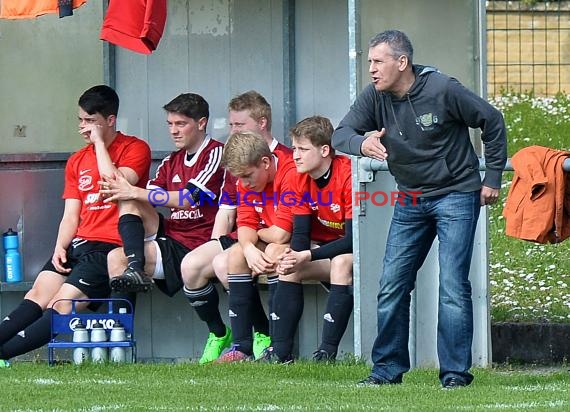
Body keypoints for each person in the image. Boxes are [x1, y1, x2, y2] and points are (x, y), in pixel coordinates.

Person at [331, 30, 507, 388]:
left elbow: (492, 120)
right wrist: (361, 143)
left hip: (457, 193)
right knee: (392, 284)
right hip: (410, 197)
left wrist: (492, 178)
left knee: (452, 285)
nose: (372, 70)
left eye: (378, 62)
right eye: (369, 62)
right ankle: (386, 371)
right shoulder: (374, 97)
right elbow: (340, 134)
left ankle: (455, 375)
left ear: (401, 62)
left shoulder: (443, 89)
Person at [0, 85, 151, 367]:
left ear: (110, 120)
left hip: (108, 246)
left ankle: (3, 356)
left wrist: (100, 145)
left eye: (91, 121)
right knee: (37, 294)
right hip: (78, 244)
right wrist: (60, 245)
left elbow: (117, 185)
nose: (84, 127)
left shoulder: (135, 148)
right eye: (81, 120)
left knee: (61, 303)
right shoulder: (77, 160)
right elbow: (72, 213)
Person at [181, 90, 290, 363]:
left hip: (279, 236)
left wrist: (250, 242)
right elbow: (234, 213)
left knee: (225, 263)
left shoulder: (288, 162)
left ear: (261, 123)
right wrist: (237, 244)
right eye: (230, 125)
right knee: (192, 265)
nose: (232, 131)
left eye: (239, 125)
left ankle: (266, 337)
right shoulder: (240, 168)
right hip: (248, 233)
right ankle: (224, 336)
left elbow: (283, 230)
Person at [102, 93, 226, 304]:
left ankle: (135, 267)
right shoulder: (171, 160)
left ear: (201, 123)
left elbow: (188, 199)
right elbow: (147, 197)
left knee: (131, 196)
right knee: (116, 253)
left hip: (199, 241)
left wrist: (133, 191)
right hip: (173, 233)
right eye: (170, 124)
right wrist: (99, 145)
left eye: (181, 124)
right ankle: (133, 275)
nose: (173, 131)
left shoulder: (215, 153)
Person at [259, 116, 354, 364]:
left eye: (303, 149)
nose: (296, 156)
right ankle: (280, 352)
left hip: (358, 250)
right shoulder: (297, 177)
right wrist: (294, 257)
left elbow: (354, 240)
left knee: (341, 262)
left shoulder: (347, 175)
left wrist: (306, 256)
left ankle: (327, 352)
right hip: (323, 249)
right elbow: (300, 235)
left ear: (325, 150)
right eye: (294, 148)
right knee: (288, 263)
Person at [216, 131, 296, 362]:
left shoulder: (289, 172)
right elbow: (245, 224)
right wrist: (249, 248)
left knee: (274, 252)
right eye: (239, 178)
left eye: (248, 176)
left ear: (265, 162)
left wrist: (255, 237)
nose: (244, 183)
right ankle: (241, 347)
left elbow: (282, 234)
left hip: (307, 242)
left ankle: (277, 345)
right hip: (272, 238)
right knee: (237, 254)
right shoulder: (246, 182)